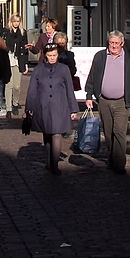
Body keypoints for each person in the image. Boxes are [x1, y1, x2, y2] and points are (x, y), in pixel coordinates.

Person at [85, 30, 130, 174]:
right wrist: (89, 95)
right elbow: (92, 76)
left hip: (122, 101)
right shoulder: (100, 56)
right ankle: (112, 159)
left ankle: (119, 164)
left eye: (116, 43)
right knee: (108, 133)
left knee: (119, 131)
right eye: (111, 43)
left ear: (122, 43)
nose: (113, 46)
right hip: (104, 101)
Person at [25, 41, 79, 174]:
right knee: (47, 134)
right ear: (45, 55)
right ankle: (49, 161)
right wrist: (29, 107)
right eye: (50, 55)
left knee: (56, 134)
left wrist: (73, 108)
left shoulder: (64, 69)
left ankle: (54, 165)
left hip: (59, 106)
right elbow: (32, 90)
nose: (52, 58)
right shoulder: (38, 70)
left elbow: (69, 89)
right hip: (43, 106)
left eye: (54, 55)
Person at [4, 13, 28, 116]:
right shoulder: (6, 32)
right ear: (11, 22)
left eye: (18, 21)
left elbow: (25, 50)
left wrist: (26, 64)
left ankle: (15, 103)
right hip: (8, 59)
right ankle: (8, 108)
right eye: (14, 21)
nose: (16, 23)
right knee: (8, 85)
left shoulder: (23, 33)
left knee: (16, 86)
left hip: (18, 60)